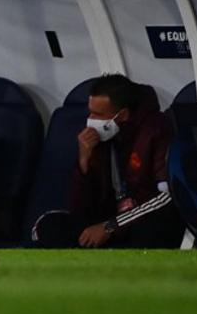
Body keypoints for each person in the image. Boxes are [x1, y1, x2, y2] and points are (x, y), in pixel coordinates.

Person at [33, 74, 186, 248]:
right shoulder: (98, 139)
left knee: (152, 227)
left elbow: (167, 196)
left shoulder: (157, 130)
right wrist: (84, 161)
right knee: (48, 225)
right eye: (90, 112)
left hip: (142, 220)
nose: (91, 120)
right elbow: (80, 208)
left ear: (122, 115)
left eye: (98, 115)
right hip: (109, 219)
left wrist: (111, 226)